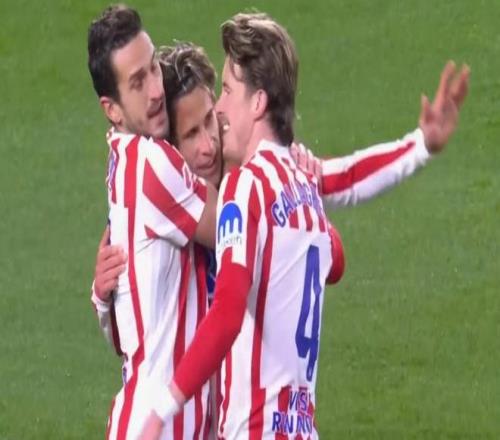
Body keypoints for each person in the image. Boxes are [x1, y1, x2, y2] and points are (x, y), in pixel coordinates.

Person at [137, 12, 468, 439]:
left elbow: (229, 309)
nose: (219, 107)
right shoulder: (304, 187)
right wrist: (420, 146)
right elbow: (339, 241)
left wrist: (161, 409)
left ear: (258, 103)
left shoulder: (245, 187)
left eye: (229, 90)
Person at [87, 6, 218, 439]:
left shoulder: (121, 165)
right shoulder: (152, 165)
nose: (157, 91)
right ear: (112, 109)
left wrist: (102, 299)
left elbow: (129, 337)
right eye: (137, 83)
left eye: (154, 70)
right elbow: (239, 230)